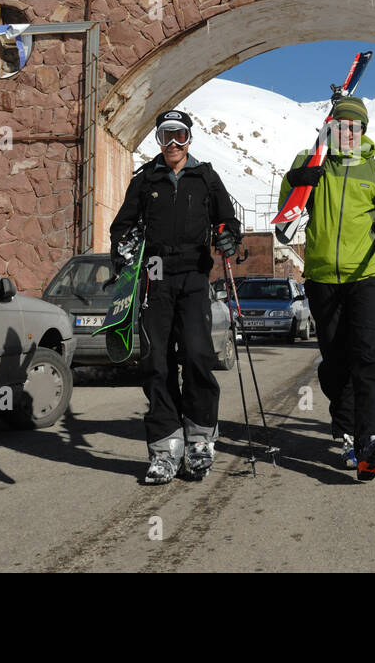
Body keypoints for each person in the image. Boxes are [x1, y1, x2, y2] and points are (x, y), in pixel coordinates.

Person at [278, 96, 375, 481]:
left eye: (355, 126)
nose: (349, 132)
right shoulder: (311, 162)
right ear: (330, 128)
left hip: (367, 275)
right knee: (336, 363)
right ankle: (348, 431)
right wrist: (296, 183)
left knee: (371, 357)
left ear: (364, 130)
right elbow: (284, 222)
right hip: (322, 278)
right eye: (342, 125)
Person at [109, 109, 241, 485]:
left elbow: (228, 222)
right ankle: (165, 448)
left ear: (189, 139)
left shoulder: (206, 177)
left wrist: (229, 237)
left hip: (195, 276)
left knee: (199, 356)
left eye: (179, 136)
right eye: (166, 136)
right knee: (156, 362)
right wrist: (123, 248)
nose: (172, 144)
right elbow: (123, 226)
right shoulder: (146, 178)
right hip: (155, 273)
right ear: (158, 140)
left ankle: (199, 439)